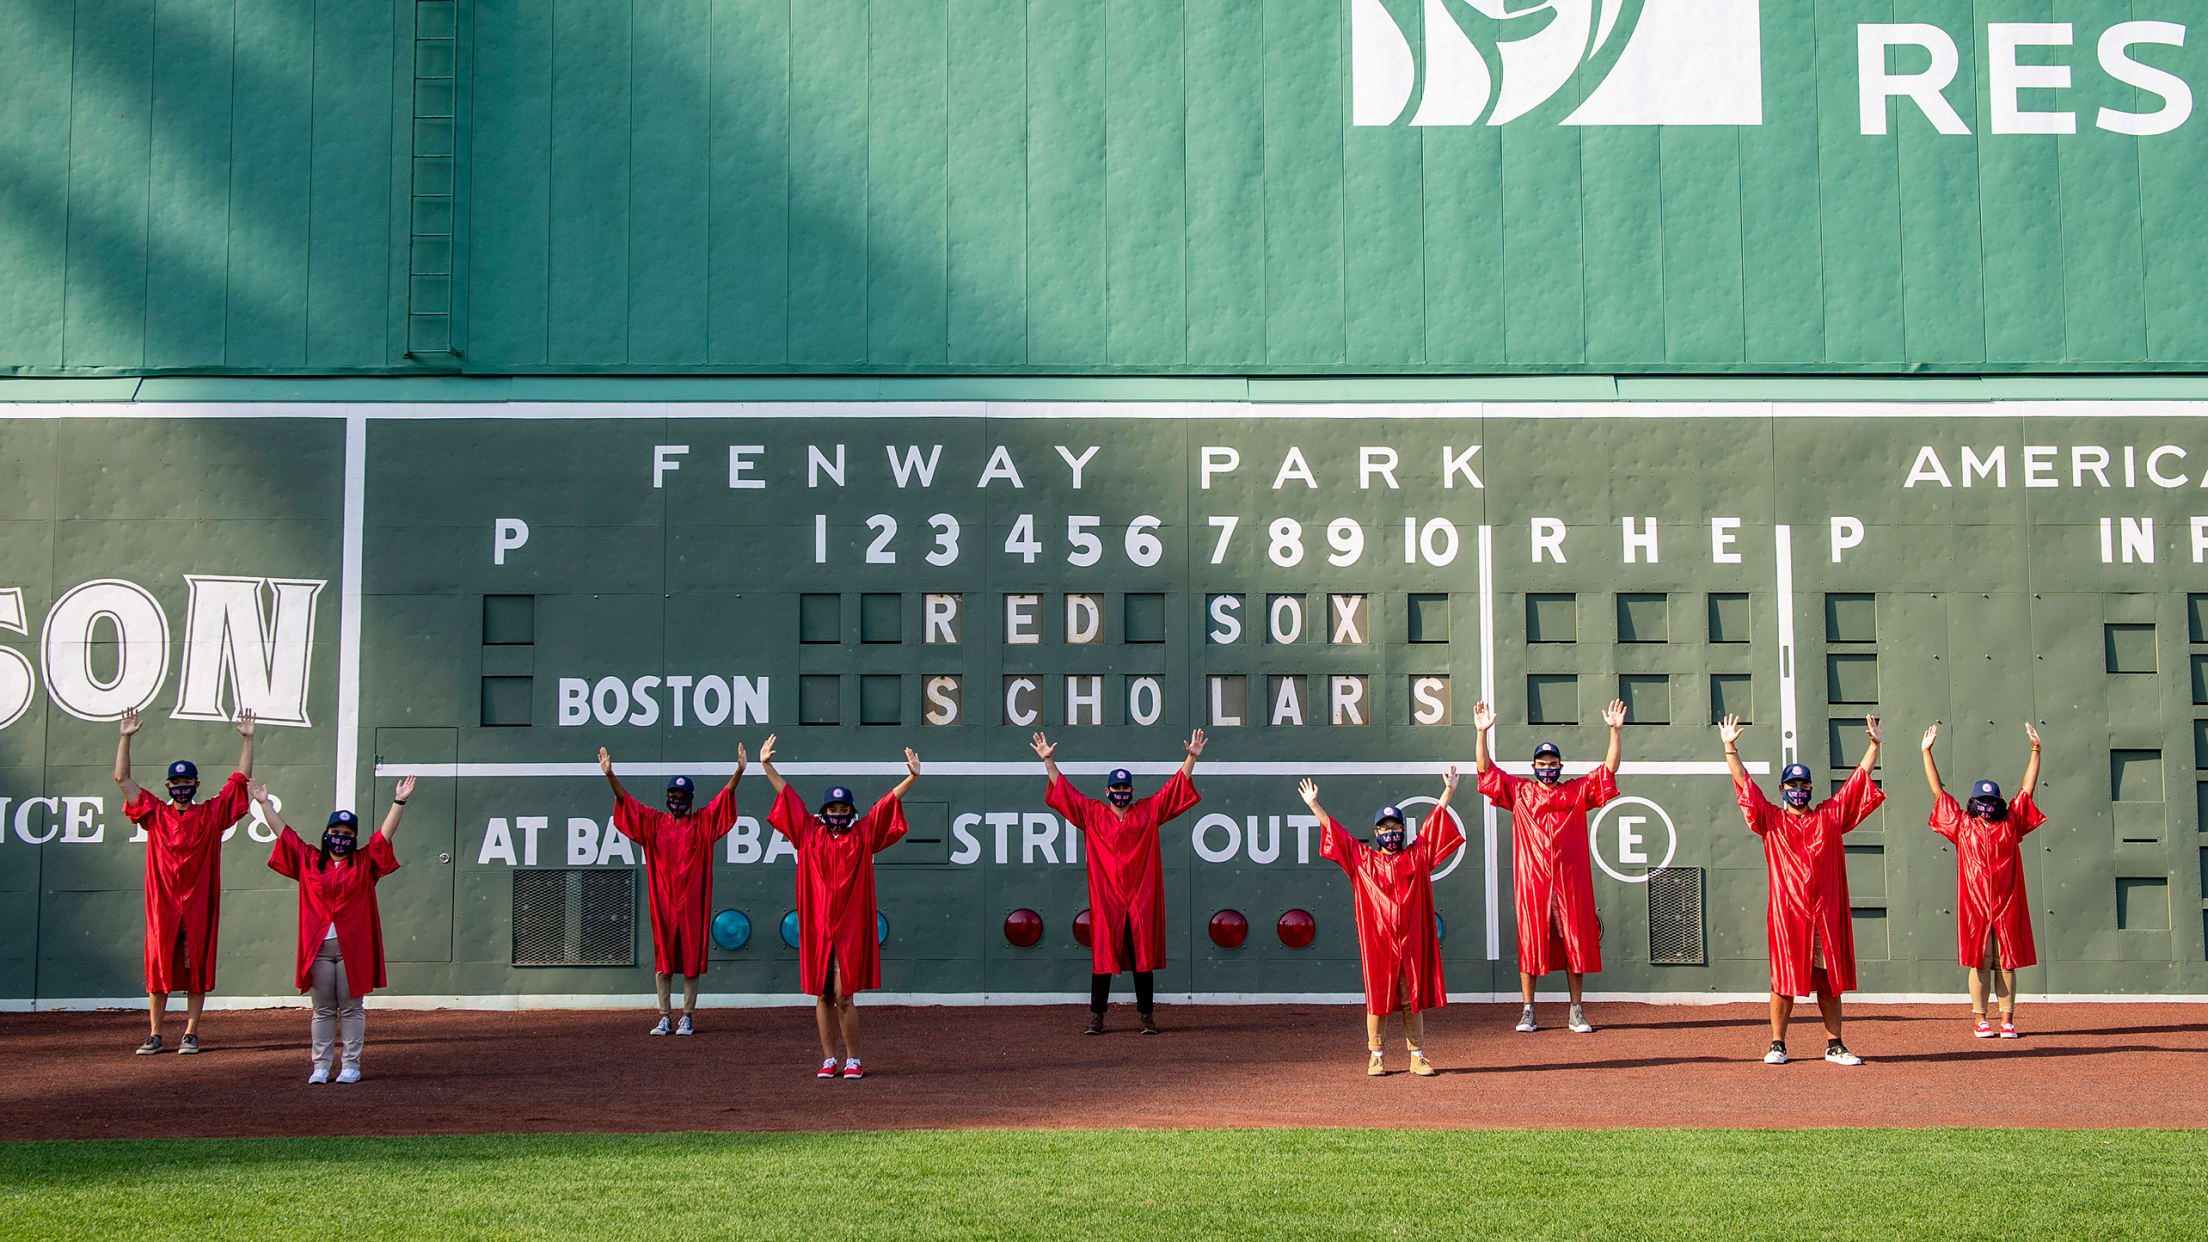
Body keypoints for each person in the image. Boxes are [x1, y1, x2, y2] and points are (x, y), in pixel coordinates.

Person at [1721, 714, 1884, 1067]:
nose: (1799, 789)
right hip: (1788, 915)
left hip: (1824, 915)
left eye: (1804, 784)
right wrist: (1730, 747)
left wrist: (1874, 746)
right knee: (1783, 980)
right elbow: (1744, 786)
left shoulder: (1828, 817)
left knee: (1828, 980)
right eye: (1792, 784)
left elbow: (1858, 782)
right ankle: (1778, 1044)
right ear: (1782, 790)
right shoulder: (1772, 821)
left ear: (1810, 788)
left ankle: (1835, 1044)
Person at [760, 735, 919, 1080]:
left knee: (844, 995)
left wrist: (911, 778)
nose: (837, 815)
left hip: (848, 928)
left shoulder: (862, 836)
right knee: (822, 996)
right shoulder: (809, 834)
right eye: (832, 810)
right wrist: (766, 765)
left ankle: (854, 1059)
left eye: (843, 809)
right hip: (818, 926)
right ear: (824, 812)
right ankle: (828, 1058)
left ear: (851, 811)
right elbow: (788, 797)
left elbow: (884, 806)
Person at [1032, 728, 1206, 1035]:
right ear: (1107, 791)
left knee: (1143, 959)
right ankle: (1096, 1017)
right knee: (1102, 960)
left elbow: (1174, 788)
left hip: (1140, 896)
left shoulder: (1147, 813)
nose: (1121, 791)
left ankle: (1147, 1017)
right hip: (1108, 898)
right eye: (1116, 787)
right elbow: (1066, 793)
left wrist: (1191, 757)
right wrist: (1049, 762)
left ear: (1132, 790)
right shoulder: (1093, 815)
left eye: (1125, 786)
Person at [1298, 769, 1465, 1077]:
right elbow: (1338, 834)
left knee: (1411, 998)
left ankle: (1417, 1056)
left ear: (1403, 830)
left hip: (1411, 940)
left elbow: (1433, 827)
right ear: (1376, 833)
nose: (1391, 833)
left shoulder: (1417, 857)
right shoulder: (1363, 860)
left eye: (1396, 827)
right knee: (1378, 997)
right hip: (1378, 942)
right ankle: (1376, 1054)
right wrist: (1314, 805)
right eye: (1385, 828)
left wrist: (1448, 792)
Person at [1472, 698, 1624, 1035]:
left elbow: (1608, 770)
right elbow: (1486, 772)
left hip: (1570, 882)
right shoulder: (1522, 792)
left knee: (1576, 943)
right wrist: (1481, 734)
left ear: (1560, 765)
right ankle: (1528, 1010)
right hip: (1533, 882)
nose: (1547, 768)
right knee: (1530, 942)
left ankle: (1576, 1010)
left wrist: (1615, 732)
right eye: (1542, 762)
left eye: (1552, 762)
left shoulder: (1575, 791)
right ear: (1534, 766)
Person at [114, 705, 256, 1055]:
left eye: (186, 782)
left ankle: (191, 1033)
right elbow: (122, 780)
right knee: (158, 964)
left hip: (196, 902)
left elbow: (239, 785)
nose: (181, 788)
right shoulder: (156, 815)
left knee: (197, 966)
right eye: (175, 783)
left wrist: (247, 741)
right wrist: (124, 737)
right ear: (168, 785)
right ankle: (155, 1033)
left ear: (195, 784)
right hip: (163, 905)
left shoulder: (209, 815)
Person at [253, 775, 413, 1084]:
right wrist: (264, 804)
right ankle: (321, 1067)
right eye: (336, 832)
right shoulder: (310, 860)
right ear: (326, 834)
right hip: (319, 950)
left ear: (354, 838)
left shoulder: (364, 862)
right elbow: (284, 835)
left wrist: (399, 801)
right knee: (323, 1011)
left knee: (352, 1009)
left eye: (347, 833)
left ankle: (351, 1065)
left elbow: (384, 836)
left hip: (352, 948)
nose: (341, 838)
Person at [600, 746, 746, 1035]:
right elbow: (625, 802)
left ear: (690, 800)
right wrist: (609, 774)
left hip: (692, 902)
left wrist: (739, 771)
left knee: (691, 958)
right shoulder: (654, 823)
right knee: (663, 957)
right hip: (664, 901)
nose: (676, 802)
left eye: (682, 798)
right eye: (673, 797)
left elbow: (723, 799)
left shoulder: (702, 823)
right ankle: (664, 1016)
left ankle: (687, 1016)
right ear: (667, 798)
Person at [1921, 721, 2046, 1038]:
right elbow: (1938, 791)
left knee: (2007, 963)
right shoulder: (1963, 825)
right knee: (1979, 963)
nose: (1987, 807)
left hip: (2007, 904)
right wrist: (1926, 752)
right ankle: (1980, 1019)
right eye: (1981, 802)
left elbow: (2027, 789)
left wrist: (2036, 750)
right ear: (1972, 803)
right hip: (1975, 907)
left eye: (1991, 802)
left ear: (1999, 803)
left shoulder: (2012, 823)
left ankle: (2007, 1020)